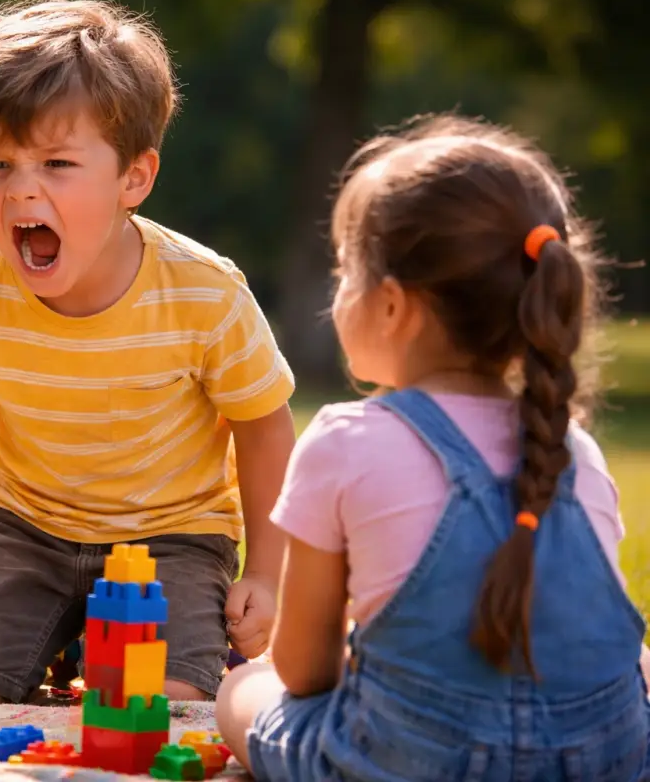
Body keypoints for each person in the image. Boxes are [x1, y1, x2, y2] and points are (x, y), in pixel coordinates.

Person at [0, 0, 298, 706]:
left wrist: (266, 573)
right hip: (19, 528)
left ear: (133, 177)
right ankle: (61, 633)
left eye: (57, 165)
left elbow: (263, 428)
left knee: (157, 703)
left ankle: (108, 642)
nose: (21, 192)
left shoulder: (204, 293)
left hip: (171, 536)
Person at [215, 113, 650, 781]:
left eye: (343, 270)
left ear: (392, 304)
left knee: (243, 692)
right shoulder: (573, 452)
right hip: (605, 760)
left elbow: (304, 672)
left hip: (418, 762)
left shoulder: (345, 439)